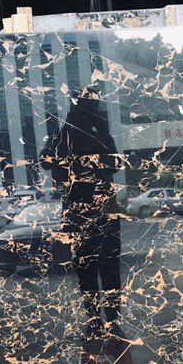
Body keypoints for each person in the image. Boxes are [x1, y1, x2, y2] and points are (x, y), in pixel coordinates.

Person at [40, 88, 122, 339]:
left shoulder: (87, 132)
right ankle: (102, 318)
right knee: (99, 267)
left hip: (92, 209)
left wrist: (101, 133)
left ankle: (104, 319)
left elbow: (114, 164)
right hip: (90, 209)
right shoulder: (69, 134)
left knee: (98, 267)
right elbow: (47, 162)